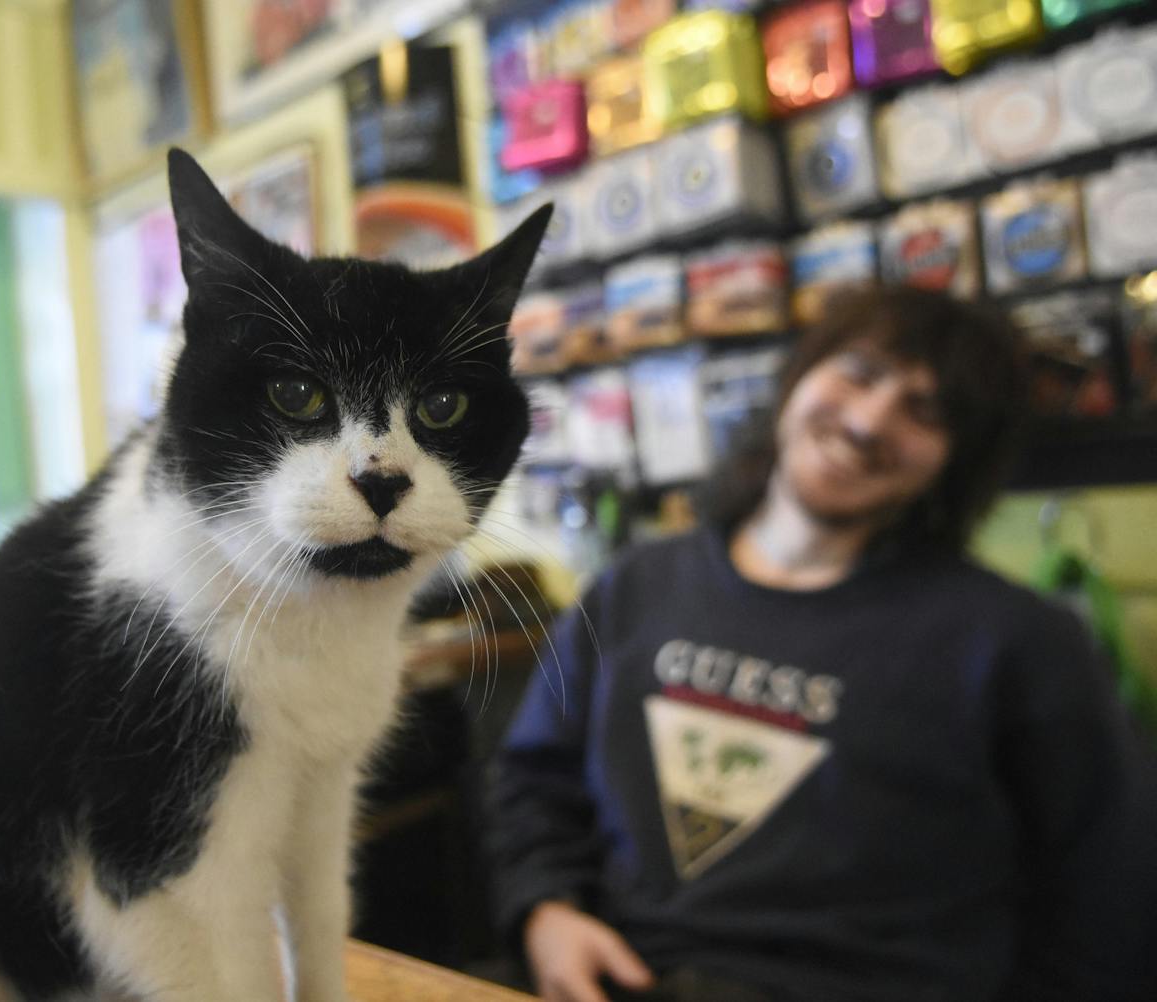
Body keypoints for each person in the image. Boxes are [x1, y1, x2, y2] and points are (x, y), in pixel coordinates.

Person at [486, 285, 1155, 1002]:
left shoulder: (1019, 642)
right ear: (799, 375)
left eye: (923, 411)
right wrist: (545, 908)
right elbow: (534, 782)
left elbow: (1109, 895)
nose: (870, 421)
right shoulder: (634, 587)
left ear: (953, 461)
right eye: (860, 373)